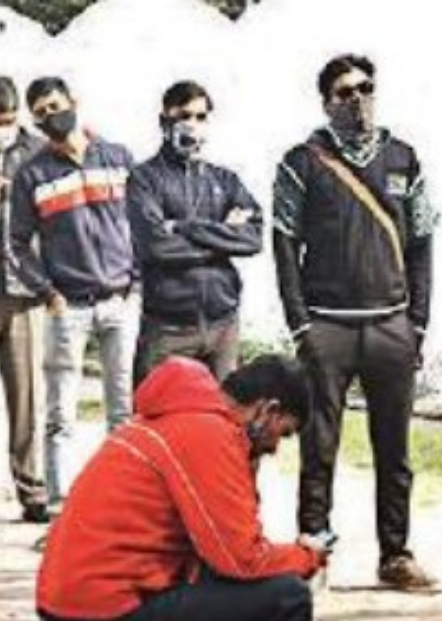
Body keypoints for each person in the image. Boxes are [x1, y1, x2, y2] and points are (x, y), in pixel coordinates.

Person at [36, 355, 326, 621]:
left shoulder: (180, 419)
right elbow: (242, 558)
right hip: (97, 619)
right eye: (282, 433)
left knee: (243, 596)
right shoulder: (208, 433)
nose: (274, 448)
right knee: (286, 601)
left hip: (77, 610)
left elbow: (224, 555)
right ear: (267, 410)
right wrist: (307, 557)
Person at [273, 54, 438, 589]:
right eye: (345, 92)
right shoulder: (301, 163)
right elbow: (283, 244)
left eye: (366, 88)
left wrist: (417, 322)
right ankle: (312, 551)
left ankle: (396, 554)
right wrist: (300, 325)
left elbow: (421, 243)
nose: (358, 100)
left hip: (391, 324)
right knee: (319, 446)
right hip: (328, 324)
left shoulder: (403, 157)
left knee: (395, 449)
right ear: (326, 102)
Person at [8, 76, 137, 508]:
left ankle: (121, 504)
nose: (52, 117)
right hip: (68, 306)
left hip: (119, 300)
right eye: (42, 114)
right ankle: (62, 509)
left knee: (122, 412)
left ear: (74, 102)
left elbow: (143, 222)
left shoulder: (117, 158)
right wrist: (47, 292)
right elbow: (17, 244)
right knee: (61, 415)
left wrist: (136, 281)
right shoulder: (33, 175)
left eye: (55, 106)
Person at [129, 80, 263, 384]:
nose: (192, 124)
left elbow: (253, 238)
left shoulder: (225, 180)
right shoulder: (144, 179)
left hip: (223, 325)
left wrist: (183, 227)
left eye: (201, 116)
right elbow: (156, 247)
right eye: (183, 116)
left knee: (225, 411)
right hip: (168, 329)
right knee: (158, 412)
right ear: (164, 121)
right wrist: (223, 240)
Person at [0, 76, 48, 523]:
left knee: (27, 396)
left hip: (23, 290)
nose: (4, 130)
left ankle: (32, 490)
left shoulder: (37, 152)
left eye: (9, 121)